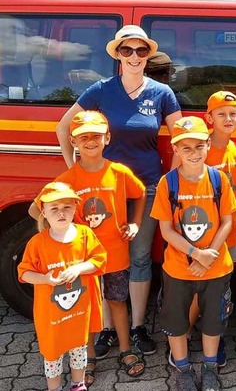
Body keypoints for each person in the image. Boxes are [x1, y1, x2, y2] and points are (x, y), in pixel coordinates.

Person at [55, 25, 182, 357]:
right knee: (106, 259)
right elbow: (63, 126)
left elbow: (180, 139)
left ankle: (137, 327)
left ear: (148, 56)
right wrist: (75, 170)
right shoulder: (101, 89)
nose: (135, 57)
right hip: (105, 189)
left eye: (141, 51)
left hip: (147, 188)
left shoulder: (161, 93)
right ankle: (108, 328)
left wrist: (182, 179)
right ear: (118, 55)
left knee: (140, 257)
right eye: (128, 51)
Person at [30, 111, 147, 385]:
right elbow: (36, 209)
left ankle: (126, 350)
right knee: (86, 309)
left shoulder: (119, 172)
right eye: (84, 137)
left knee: (117, 301)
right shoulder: (68, 179)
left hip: (115, 254)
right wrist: (55, 237)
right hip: (80, 261)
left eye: (96, 136)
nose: (91, 141)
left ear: (107, 138)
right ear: (73, 142)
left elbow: (140, 194)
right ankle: (88, 357)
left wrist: (135, 224)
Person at [150, 116, 236, 391]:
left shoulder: (218, 179)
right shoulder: (168, 183)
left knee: (214, 318)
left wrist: (209, 253)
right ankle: (183, 368)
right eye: (185, 148)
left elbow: (227, 221)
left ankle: (210, 367)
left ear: (208, 145)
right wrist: (194, 254)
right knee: (176, 321)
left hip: (216, 266)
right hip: (179, 267)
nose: (193, 153)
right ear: (175, 149)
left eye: (199, 146)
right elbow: (165, 230)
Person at [18, 182, 107, 391]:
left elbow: (100, 259)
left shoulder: (85, 235)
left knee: (79, 349)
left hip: (78, 313)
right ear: (44, 214)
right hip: (52, 317)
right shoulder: (37, 243)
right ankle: (54, 388)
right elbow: (24, 273)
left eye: (67, 207)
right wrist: (46, 280)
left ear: (75, 209)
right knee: (52, 354)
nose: (61, 213)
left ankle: (78, 384)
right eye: (54, 208)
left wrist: (80, 268)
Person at [204, 90, 236, 366]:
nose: (228, 118)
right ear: (209, 118)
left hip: (230, 230)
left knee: (222, 287)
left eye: (233, 113)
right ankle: (190, 334)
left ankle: (216, 336)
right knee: (201, 287)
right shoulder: (202, 149)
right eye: (221, 114)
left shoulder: (233, 147)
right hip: (206, 234)